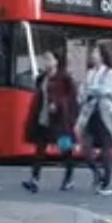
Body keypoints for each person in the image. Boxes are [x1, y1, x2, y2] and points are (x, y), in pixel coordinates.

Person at [77, 42, 112, 196]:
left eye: (95, 52)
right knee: (85, 149)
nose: (92, 55)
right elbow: (82, 92)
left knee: (106, 150)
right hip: (90, 114)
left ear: (101, 56)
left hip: (104, 114)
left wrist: (99, 91)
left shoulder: (109, 73)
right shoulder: (89, 74)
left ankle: (106, 183)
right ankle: (97, 173)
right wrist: (83, 95)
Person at [22, 50, 79, 193]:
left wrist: (59, 104)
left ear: (56, 62)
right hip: (44, 119)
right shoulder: (42, 78)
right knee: (39, 150)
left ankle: (69, 178)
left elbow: (72, 97)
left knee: (65, 150)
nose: (46, 62)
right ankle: (34, 179)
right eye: (44, 59)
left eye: (49, 59)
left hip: (60, 121)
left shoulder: (64, 79)